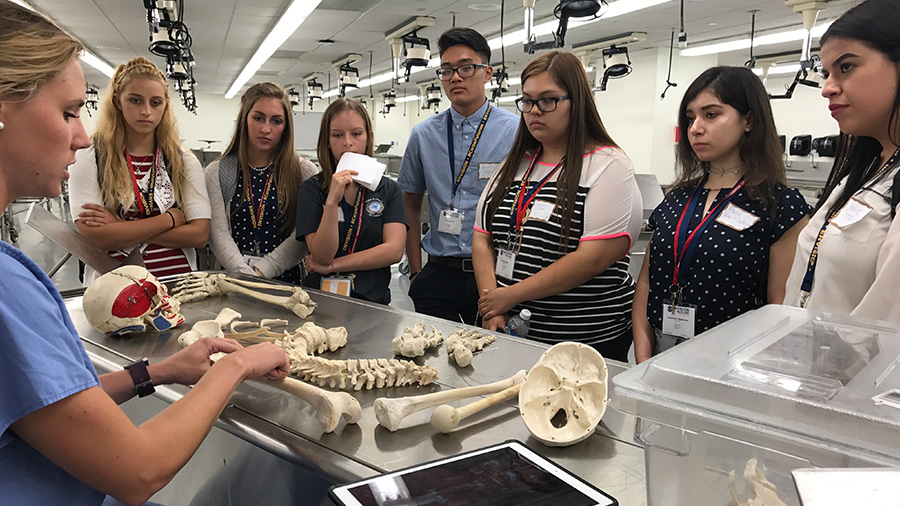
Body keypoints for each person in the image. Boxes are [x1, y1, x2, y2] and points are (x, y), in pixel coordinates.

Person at [0, 3, 290, 505]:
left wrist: (158, 372)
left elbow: (46, 404)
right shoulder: (10, 290)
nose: (80, 135)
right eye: (68, 112)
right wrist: (237, 368)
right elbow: (139, 470)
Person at [472, 50, 643, 362]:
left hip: (583, 340)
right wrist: (492, 305)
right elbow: (482, 235)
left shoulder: (608, 166)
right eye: (527, 100)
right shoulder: (516, 163)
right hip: (511, 327)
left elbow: (591, 259)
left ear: (576, 102)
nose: (534, 111)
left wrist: (510, 295)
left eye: (548, 100)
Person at [633, 66, 811, 363]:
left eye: (711, 115)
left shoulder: (779, 206)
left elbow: (781, 309)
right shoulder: (677, 199)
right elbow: (647, 283)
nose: (695, 128)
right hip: (659, 352)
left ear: (749, 120)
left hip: (735, 361)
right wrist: (642, 357)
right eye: (690, 118)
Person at [784, 0, 900, 321]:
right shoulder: (866, 171)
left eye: (846, 67)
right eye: (826, 73)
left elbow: (886, 328)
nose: (827, 88)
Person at [398, 27, 519, 324]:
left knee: (491, 360)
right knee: (434, 362)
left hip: (496, 274)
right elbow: (410, 206)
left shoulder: (516, 131)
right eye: (447, 70)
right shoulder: (423, 135)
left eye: (466, 67)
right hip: (438, 273)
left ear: (487, 73)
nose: (455, 77)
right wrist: (416, 272)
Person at [68, 56, 210, 284]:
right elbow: (96, 236)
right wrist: (170, 219)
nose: (146, 111)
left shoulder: (183, 160)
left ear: (165, 105)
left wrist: (120, 228)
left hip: (178, 284)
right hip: (115, 286)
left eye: (156, 102)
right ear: (117, 101)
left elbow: (199, 234)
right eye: (135, 100)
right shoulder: (90, 156)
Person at [296, 98, 407, 305]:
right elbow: (321, 256)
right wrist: (331, 202)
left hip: (373, 302)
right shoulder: (312, 190)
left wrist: (333, 266)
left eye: (356, 134)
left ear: (368, 137)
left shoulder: (388, 190)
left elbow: (393, 250)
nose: (347, 142)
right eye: (337, 135)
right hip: (321, 301)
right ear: (327, 141)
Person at [205, 82, 318, 284]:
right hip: (232, 280)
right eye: (258, 118)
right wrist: (244, 275)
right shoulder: (218, 172)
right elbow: (218, 234)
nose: (266, 129)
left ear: (286, 127)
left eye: (276, 121)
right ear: (244, 120)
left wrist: (260, 272)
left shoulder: (303, 172)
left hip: (286, 282)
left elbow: (301, 236)